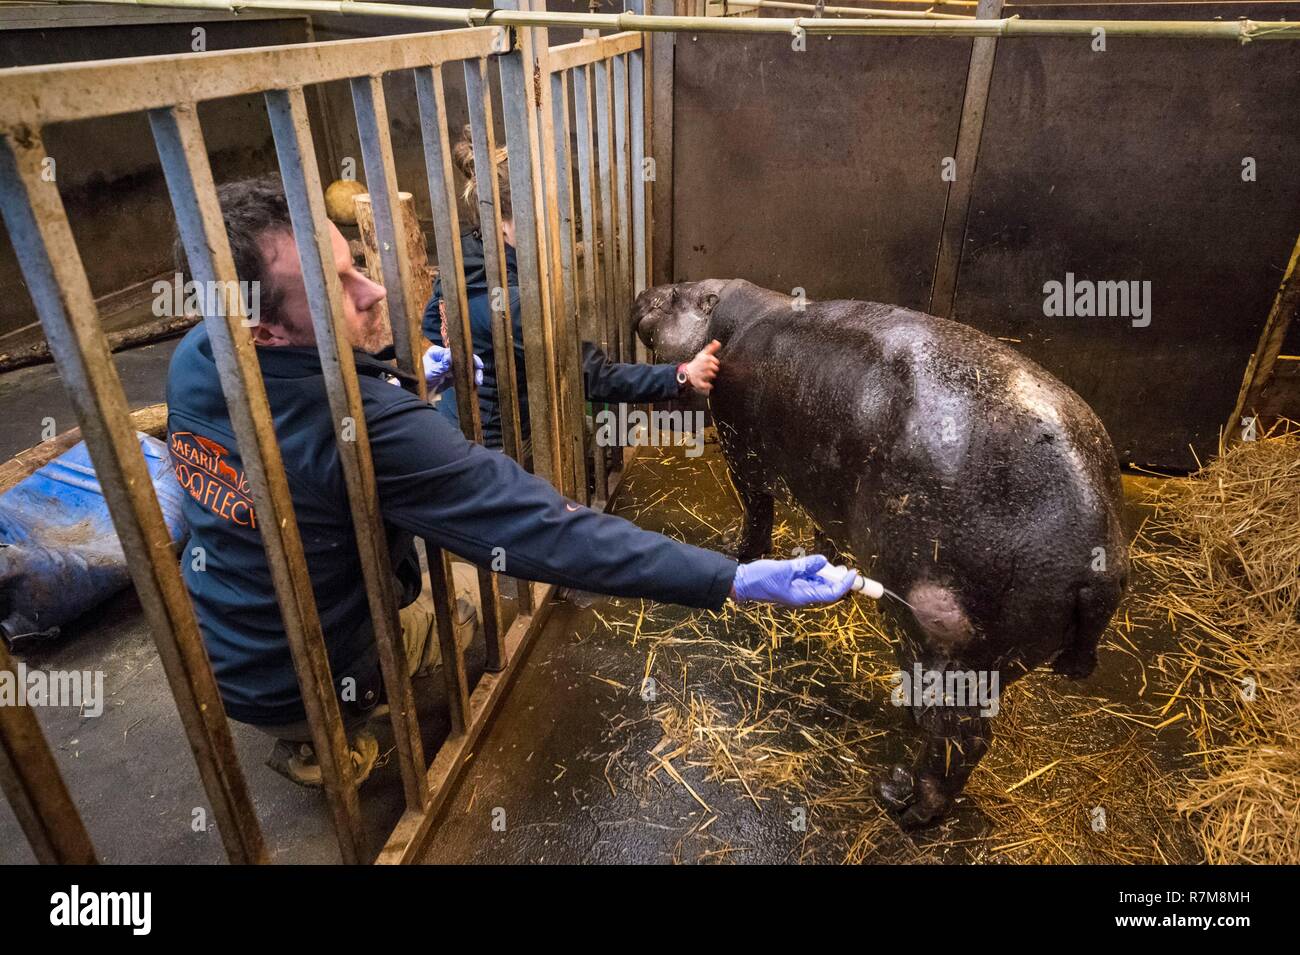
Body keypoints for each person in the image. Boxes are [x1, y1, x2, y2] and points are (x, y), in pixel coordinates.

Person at [166, 176, 857, 788]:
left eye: (353, 265)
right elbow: (545, 526)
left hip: (219, 648)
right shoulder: (369, 423)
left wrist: (398, 369)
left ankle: (301, 728)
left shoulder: (198, 355)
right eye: (334, 287)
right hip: (307, 672)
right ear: (260, 332)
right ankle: (335, 732)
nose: (372, 288)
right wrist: (729, 578)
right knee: (483, 595)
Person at [422, 129, 721, 453]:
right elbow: (593, 377)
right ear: (502, 221)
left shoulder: (463, 257)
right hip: (499, 451)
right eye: (536, 218)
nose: (547, 226)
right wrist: (682, 375)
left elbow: (430, 324)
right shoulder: (515, 304)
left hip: (450, 427)